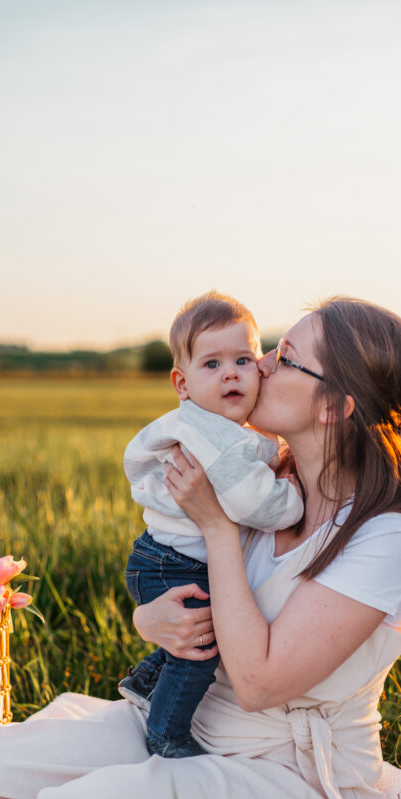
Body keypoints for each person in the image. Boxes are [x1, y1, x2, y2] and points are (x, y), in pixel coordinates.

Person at [0, 296, 401, 799]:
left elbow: (261, 681)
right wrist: (148, 620)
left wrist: (215, 526)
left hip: (290, 774)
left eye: (285, 358)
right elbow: (185, 596)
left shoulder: (384, 539)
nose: (259, 365)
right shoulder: (263, 487)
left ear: (334, 405)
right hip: (188, 722)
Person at [120, 291, 303, 758]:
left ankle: (147, 681)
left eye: (243, 359)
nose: (231, 373)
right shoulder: (214, 437)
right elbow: (255, 503)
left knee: (193, 636)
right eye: (212, 364)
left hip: (159, 557)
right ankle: (165, 733)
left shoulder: (208, 427)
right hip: (177, 564)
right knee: (202, 649)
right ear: (181, 383)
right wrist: (293, 499)